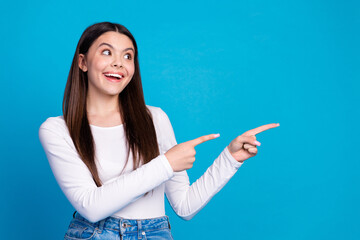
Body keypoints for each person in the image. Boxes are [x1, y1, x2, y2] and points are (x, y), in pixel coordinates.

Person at [39, 21, 279, 240]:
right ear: (82, 62)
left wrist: (231, 158)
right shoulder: (57, 129)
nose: (118, 63)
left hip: (155, 233)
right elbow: (91, 206)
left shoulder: (154, 118)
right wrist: (166, 164)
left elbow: (185, 206)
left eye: (128, 56)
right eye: (106, 52)